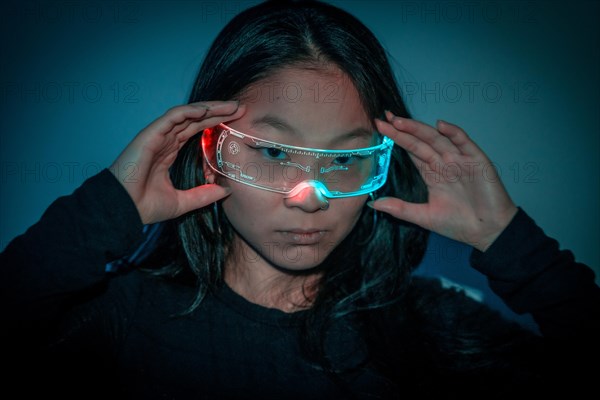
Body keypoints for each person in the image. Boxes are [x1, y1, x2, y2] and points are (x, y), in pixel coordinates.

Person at [1, 0, 598, 398]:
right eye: (275, 152)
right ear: (209, 147)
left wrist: (508, 239)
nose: (309, 200)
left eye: (342, 160)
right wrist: (106, 209)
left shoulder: (423, 324)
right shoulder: (121, 317)